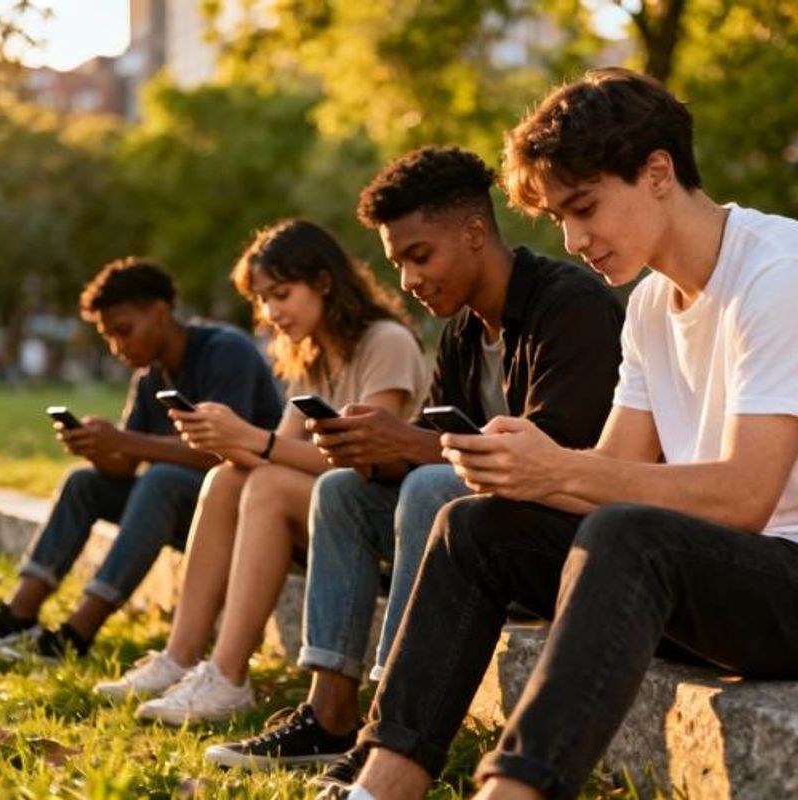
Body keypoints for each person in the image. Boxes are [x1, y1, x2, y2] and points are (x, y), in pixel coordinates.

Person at [330, 67, 798, 800]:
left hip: (784, 580)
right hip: (714, 579)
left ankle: (516, 793)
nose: (575, 239)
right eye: (558, 219)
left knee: (629, 536)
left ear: (657, 172)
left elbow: (744, 496)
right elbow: (612, 470)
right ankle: (378, 787)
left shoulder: (775, 275)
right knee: (472, 527)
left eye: (584, 207)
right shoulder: (648, 305)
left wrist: (557, 471)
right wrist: (520, 470)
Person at [201, 145, 624, 771]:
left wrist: (412, 449)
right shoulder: (460, 332)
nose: (408, 281)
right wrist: (369, 450)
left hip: (560, 542)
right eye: (397, 262)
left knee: (430, 485)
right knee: (341, 491)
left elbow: (551, 464)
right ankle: (329, 715)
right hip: (476, 534)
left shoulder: (569, 306)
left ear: (476, 232)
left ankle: (391, 728)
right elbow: (431, 443)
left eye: (419, 256)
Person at [93, 219, 428, 727]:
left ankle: (228, 676)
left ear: (323, 282)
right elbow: (282, 452)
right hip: (327, 517)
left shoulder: (387, 341)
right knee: (227, 477)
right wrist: (224, 440)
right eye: (263, 300)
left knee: (265, 482)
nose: (272, 312)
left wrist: (253, 440)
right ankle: (181, 657)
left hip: (385, 523)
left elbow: (366, 458)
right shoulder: (313, 356)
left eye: (282, 294)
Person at [0, 257, 282, 660]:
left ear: (161, 313)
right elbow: (124, 467)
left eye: (124, 331)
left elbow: (221, 454)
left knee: (162, 480)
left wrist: (125, 440)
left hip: (245, 506)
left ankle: (78, 633)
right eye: (109, 337)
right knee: (85, 483)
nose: (117, 347)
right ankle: (18, 614)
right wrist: (96, 448)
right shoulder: (149, 377)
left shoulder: (225, 351)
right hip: (184, 507)